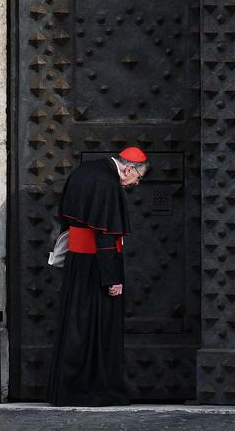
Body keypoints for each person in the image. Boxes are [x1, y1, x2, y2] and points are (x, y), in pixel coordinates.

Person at [46, 146, 150, 406]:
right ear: (128, 168)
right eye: (137, 178)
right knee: (97, 329)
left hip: (77, 262)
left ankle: (66, 389)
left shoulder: (85, 171)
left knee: (76, 326)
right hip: (96, 267)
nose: (135, 183)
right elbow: (104, 235)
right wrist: (112, 279)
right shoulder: (107, 184)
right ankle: (95, 389)